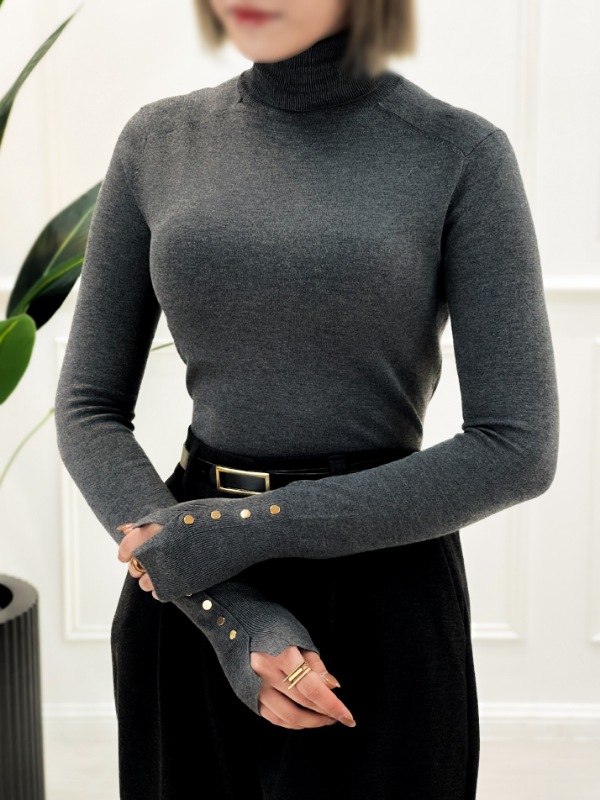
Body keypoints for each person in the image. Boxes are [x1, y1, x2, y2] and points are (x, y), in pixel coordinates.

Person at [54, 0, 560, 798]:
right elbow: (88, 405)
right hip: (186, 596)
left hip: (379, 596)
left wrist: (228, 534)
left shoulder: (460, 153)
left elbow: (518, 446)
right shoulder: (157, 140)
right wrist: (226, 611)